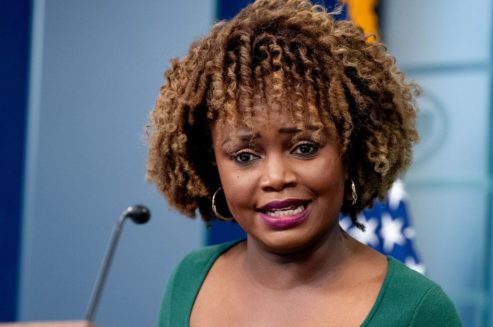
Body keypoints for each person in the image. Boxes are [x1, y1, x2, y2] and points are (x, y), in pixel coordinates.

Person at [147, 0, 461, 326]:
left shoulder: (416, 310)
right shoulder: (189, 281)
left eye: (305, 148)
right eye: (244, 156)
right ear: (213, 166)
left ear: (349, 152)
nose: (276, 177)